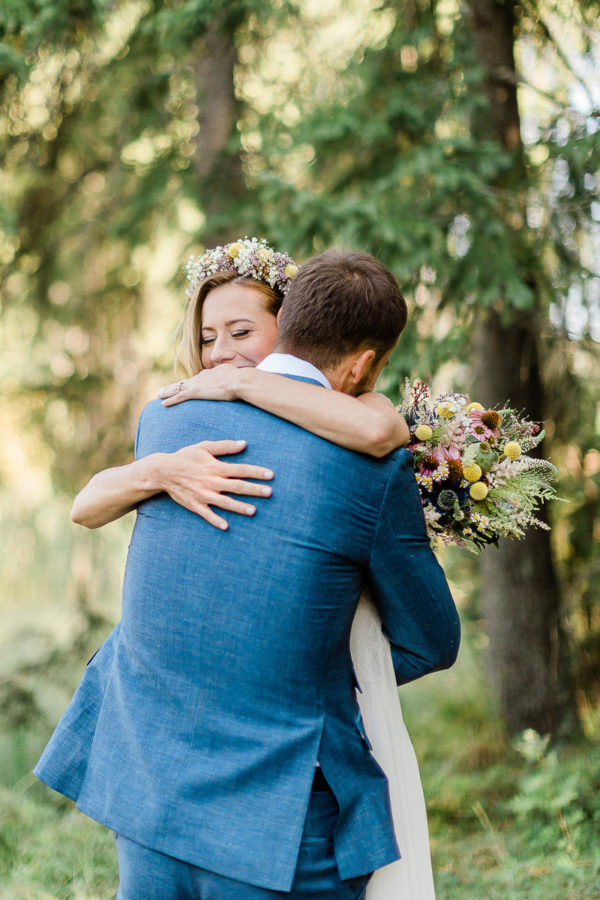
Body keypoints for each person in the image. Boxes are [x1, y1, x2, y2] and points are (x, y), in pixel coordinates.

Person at [35, 247, 460, 899]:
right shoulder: (374, 466)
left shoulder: (168, 415)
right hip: (278, 814)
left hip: (148, 783)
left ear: (284, 324)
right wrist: (317, 656)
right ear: (367, 362)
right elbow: (431, 642)